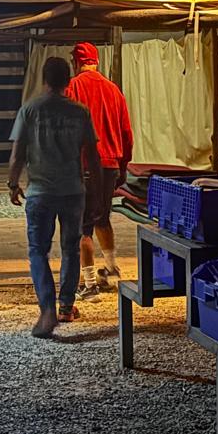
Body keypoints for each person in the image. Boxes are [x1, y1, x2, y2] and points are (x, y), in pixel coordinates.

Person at [8, 56, 103, 337]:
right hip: (73, 191)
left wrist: (13, 184)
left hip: (40, 191)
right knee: (71, 248)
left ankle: (47, 308)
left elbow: (17, 154)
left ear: (44, 79)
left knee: (38, 250)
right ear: (68, 80)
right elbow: (93, 157)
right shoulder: (80, 112)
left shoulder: (30, 110)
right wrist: (98, 193)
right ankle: (66, 306)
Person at [64, 41, 134, 296]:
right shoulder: (114, 90)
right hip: (111, 165)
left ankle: (89, 284)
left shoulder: (72, 88)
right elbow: (127, 133)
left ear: (76, 62)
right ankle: (112, 270)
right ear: (96, 61)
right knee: (102, 219)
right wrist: (123, 166)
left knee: (82, 227)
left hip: (84, 165)